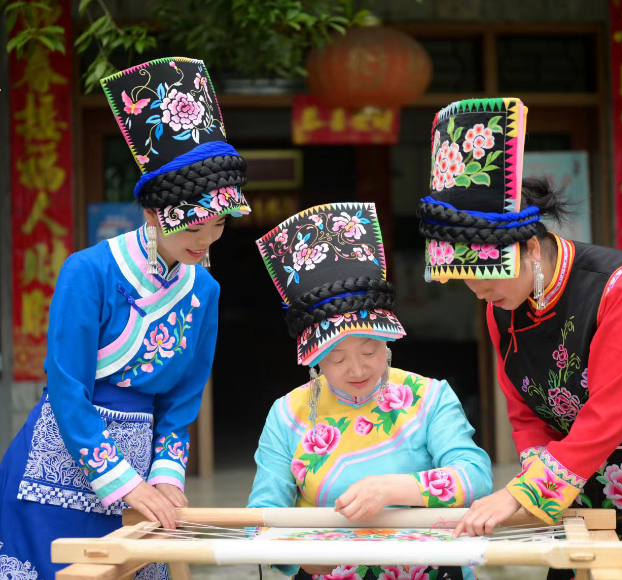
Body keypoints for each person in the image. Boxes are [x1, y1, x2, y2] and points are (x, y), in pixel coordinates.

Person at [417, 97, 622, 579]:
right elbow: (523, 407)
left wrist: (523, 492)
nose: (479, 291)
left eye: (486, 275)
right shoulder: (502, 305)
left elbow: (609, 413)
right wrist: (539, 486)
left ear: (531, 247)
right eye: (466, 280)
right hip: (576, 473)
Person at [0, 57, 251, 580]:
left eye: (219, 226)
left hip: (143, 472)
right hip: (60, 463)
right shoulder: (87, 271)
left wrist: (166, 479)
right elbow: (67, 390)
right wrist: (124, 482)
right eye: (195, 229)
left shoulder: (205, 289)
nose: (206, 240)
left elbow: (181, 403)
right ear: (156, 214)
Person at [248, 202, 492, 580]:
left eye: (369, 350)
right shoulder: (287, 414)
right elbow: (260, 516)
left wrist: (392, 488)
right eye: (337, 358)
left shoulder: (429, 396)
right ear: (315, 361)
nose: (358, 369)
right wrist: (300, 559)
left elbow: (475, 475)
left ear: (387, 343)